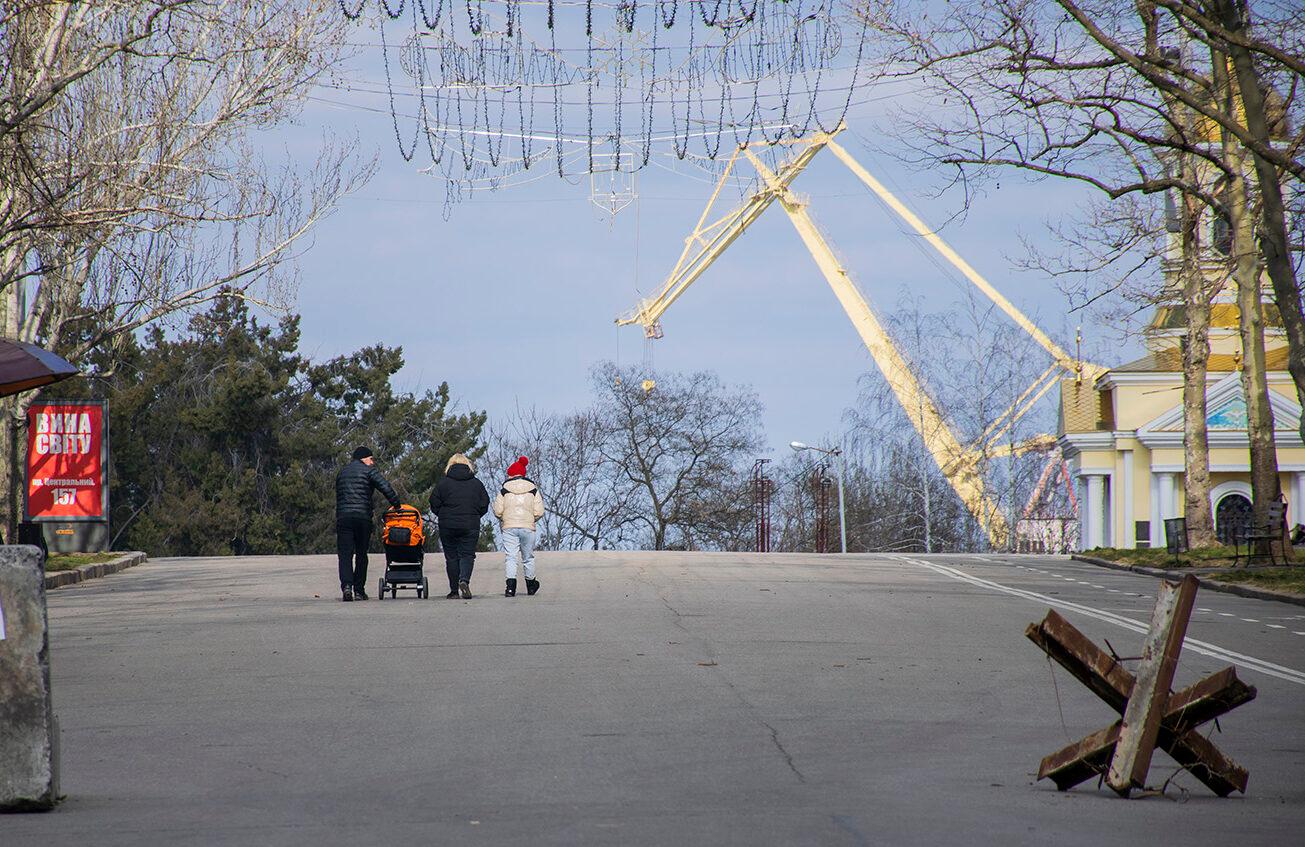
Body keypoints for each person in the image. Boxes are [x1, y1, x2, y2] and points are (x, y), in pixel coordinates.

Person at [335, 446, 400, 602]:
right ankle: (359, 590)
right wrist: (397, 505)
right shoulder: (368, 471)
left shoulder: (342, 472)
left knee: (345, 555)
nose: (372, 462)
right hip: (362, 518)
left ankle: (347, 586)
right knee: (361, 555)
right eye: (371, 459)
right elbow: (385, 487)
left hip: (344, 517)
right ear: (363, 458)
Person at [429, 453, 489, 599]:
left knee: (451, 557)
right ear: (468, 465)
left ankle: (454, 591)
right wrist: (474, 516)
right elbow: (484, 504)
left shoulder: (443, 483)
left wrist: (442, 515)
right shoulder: (476, 484)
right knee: (467, 555)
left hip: (447, 525)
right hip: (470, 524)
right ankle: (464, 580)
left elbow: (434, 503)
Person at [493, 455, 546, 597]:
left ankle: (510, 588)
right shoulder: (533, 489)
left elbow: (497, 510)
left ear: (510, 474)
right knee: (528, 557)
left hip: (509, 527)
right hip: (528, 527)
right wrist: (530, 519)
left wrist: (505, 518)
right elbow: (539, 511)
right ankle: (531, 586)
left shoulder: (504, 489)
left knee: (511, 557)